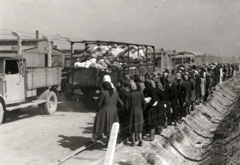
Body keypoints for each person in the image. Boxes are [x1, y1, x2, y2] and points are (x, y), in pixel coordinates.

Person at [92, 81, 123, 146]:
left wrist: (96, 109)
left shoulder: (103, 93)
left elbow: (99, 104)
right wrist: (117, 109)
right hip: (113, 112)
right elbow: (121, 104)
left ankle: (99, 139)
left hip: (104, 112)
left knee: (103, 126)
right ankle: (109, 142)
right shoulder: (115, 93)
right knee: (110, 127)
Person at [126, 81, 146, 147]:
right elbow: (144, 103)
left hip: (132, 111)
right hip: (139, 111)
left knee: (132, 126)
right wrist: (142, 109)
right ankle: (140, 140)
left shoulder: (129, 95)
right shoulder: (141, 93)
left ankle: (133, 141)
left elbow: (127, 105)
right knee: (139, 126)